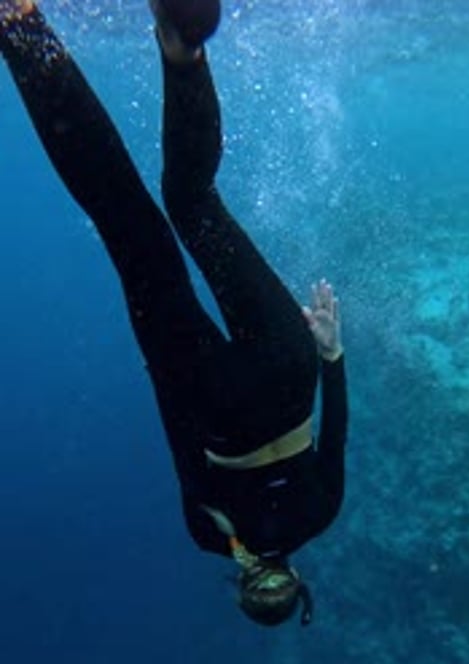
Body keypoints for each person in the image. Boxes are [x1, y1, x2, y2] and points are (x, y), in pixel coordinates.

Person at [0, 0, 348, 627]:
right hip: (212, 402)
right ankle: (20, 27)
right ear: (246, 582)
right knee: (131, 227)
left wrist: (330, 350)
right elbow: (181, 436)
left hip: (290, 372)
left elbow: (339, 426)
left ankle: (184, 52)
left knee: (194, 201)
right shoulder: (210, 533)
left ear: (296, 576)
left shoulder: (321, 515)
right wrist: (159, 349)